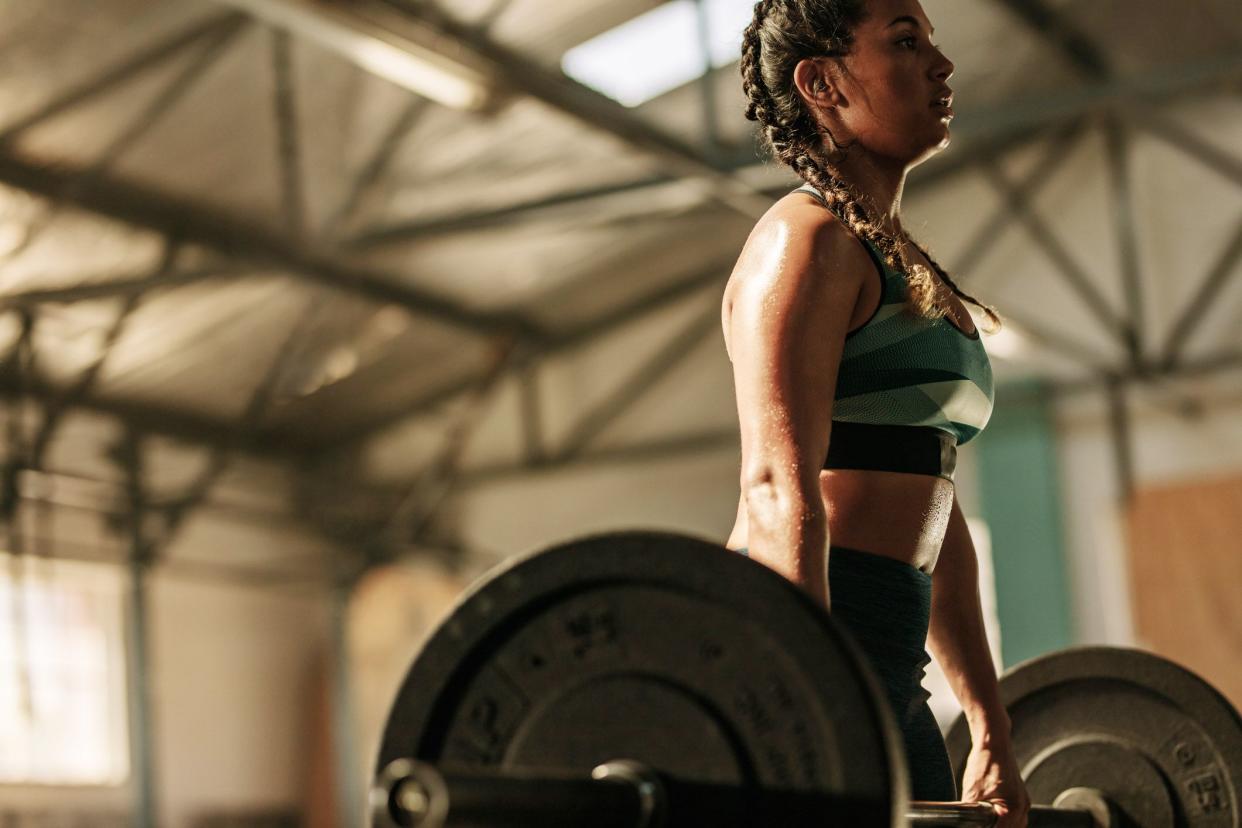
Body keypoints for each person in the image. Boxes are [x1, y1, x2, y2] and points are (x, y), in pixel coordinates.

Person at [721, 0, 1031, 824]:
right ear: (822, 82)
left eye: (929, 39)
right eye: (904, 41)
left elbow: (935, 507)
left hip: (888, 659)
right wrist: (808, 704)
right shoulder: (807, 240)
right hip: (804, 648)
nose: (942, 63)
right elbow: (774, 487)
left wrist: (990, 728)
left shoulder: (891, 255)